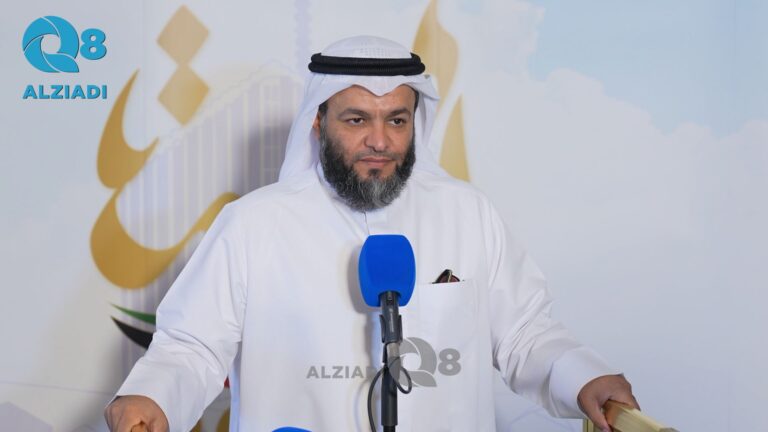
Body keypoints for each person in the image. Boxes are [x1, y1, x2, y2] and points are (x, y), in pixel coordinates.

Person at [105, 36, 638, 432]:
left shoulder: (467, 213)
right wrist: (152, 397)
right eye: (357, 120)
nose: (380, 141)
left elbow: (525, 334)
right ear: (319, 122)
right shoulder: (254, 224)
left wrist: (585, 378)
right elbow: (193, 346)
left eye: (396, 121)